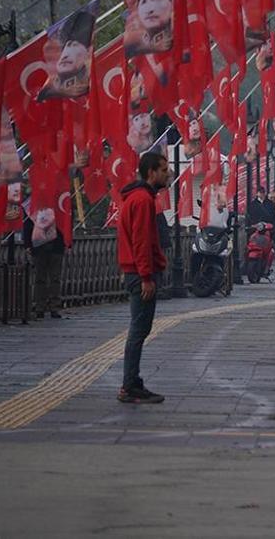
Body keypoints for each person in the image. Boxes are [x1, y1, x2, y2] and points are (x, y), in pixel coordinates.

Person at [116, 151, 171, 404]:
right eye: (163, 169)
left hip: (136, 272)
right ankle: (129, 385)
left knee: (140, 328)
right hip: (140, 275)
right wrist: (146, 276)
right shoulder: (142, 200)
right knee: (138, 330)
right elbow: (141, 241)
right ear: (151, 172)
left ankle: (132, 381)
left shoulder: (138, 198)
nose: (167, 173)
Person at [22, 213, 66, 319]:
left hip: (56, 245)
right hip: (38, 246)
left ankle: (54, 307)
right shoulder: (34, 206)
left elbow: (66, 222)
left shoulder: (59, 202)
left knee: (55, 279)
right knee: (40, 278)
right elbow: (28, 223)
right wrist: (27, 244)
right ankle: (39, 307)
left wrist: (67, 242)